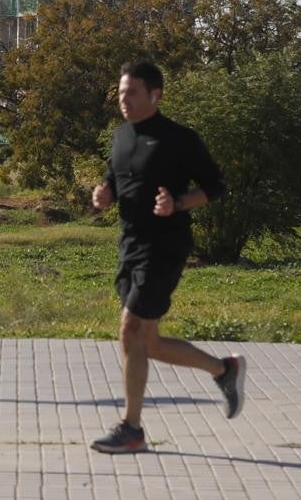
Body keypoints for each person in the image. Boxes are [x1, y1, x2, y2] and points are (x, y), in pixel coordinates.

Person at [89, 61, 244, 454]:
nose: (124, 100)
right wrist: (104, 193)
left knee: (130, 330)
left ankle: (131, 427)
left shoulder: (179, 139)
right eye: (121, 93)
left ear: (154, 95)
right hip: (130, 244)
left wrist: (177, 203)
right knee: (149, 342)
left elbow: (215, 186)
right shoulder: (121, 135)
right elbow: (114, 175)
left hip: (165, 246)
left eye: (132, 93)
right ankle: (224, 370)